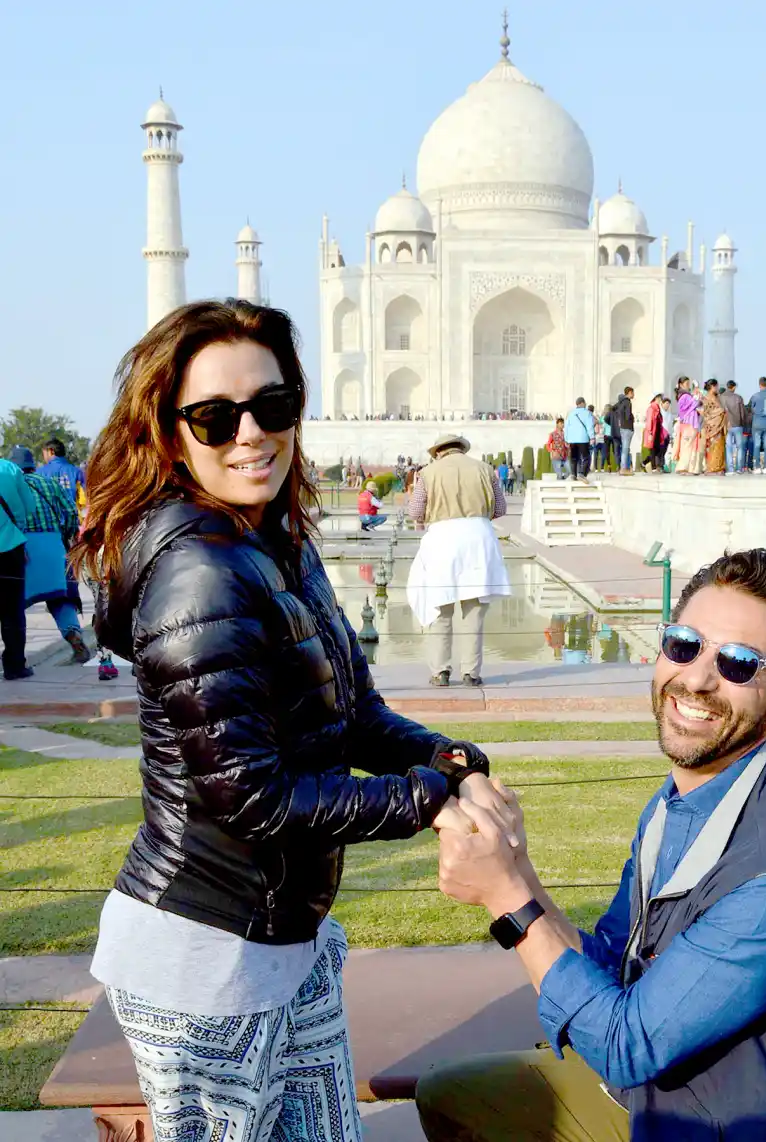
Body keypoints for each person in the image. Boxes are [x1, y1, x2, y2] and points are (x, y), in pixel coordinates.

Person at [74, 299, 509, 1142]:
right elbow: (254, 799)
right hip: (202, 960)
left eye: (272, 406)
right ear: (170, 433)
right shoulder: (198, 574)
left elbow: (352, 711)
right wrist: (424, 798)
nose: (251, 434)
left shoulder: (277, 541)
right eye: (215, 416)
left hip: (283, 939)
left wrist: (443, 757)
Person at [419, 548, 766, 1142]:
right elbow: (613, 962)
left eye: (739, 663)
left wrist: (506, 898)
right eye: (685, 645)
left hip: (734, 1127)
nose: (697, 679)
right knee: (450, 1096)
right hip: (662, 1106)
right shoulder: (684, 801)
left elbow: (625, 1046)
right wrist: (516, 866)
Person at [407, 433, 512, 687]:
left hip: (442, 539)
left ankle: (441, 672)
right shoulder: (484, 469)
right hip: (478, 537)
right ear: (461, 450)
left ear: (438, 452)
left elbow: (415, 512)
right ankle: (471, 673)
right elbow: (500, 508)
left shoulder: (428, 473)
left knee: (440, 607)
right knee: (474, 609)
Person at [8, 446, 91, 664]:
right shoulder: (48, 483)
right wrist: (65, 536)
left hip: (22, 548)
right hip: (53, 545)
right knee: (60, 598)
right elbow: (71, 512)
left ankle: (16, 657)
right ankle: (73, 634)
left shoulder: (9, 485)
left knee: (13, 604)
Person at [0, 454, 34, 680]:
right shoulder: (10, 469)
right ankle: (14, 666)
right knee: (12, 611)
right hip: (9, 546)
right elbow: (29, 506)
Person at [671, 377, 702, 474]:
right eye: (686, 384)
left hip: (689, 423)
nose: (688, 386)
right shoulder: (685, 396)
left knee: (691, 445)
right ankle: (683, 467)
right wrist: (697, 394)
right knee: (688, 446)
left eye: (689, 384)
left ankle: (690, 468)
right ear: (681, 385)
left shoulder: (685, 395)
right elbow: (695, 403)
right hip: (688, 423)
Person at [564, 398, 596, 481]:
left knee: (573, 458)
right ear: (582, 403)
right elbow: (589, 426)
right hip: (583, 439)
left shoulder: (571, 413)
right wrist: (592, 437)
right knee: (586, 457)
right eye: (585, 403)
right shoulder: (587, 413)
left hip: (572, 440)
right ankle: (582, 474)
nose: (585, 404)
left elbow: (566, 427)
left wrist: (566, 439)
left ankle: (573, 475)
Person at [748, 377, 766, 471]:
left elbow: (751, 408)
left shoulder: (755, 396)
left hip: (756, 423)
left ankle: (757, 467)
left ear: (759, 384)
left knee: (757, 445)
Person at [701, 380, 727, 474]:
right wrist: (722, 411)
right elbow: (715, 411)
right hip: (715, 426)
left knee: (715, 447)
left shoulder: (710, 397)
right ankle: (714, 468)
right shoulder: (711, 398)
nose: (717, 388)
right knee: (716, 447)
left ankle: (715, 468)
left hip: (712, 426)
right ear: (712, 386)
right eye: (716, 386)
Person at [719, 380, 745, 473]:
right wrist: (743, 423)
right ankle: (739, 468)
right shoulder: (738, 397)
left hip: (726, 425)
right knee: (740, 447)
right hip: (737, 425)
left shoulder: (721, 397)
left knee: (728, 447)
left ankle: (730, 469)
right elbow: (742, 413)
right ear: (733, 387)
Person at [611, 387, 635, 472]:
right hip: (627, 427)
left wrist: (619, 420)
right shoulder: (627, 402)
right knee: (625, 449)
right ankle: (624, 468)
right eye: (633, 393)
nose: (634, 395)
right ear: (629, 392)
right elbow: (628, 416)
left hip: (622, 428)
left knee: (625, 449)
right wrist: (632, 417)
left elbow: (612, 408)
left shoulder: (620, 402)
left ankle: (624, 467)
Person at [641, 393, 666, 472]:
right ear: (656, 398)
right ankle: (653, 468)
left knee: (658, 450)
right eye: (660, 398)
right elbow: (649, 421)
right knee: (653, 450)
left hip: (658, 432)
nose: (661, 400)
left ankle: (645, 462)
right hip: (652, 432)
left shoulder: (657, 408)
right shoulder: (651, 408)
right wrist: (650, 433)